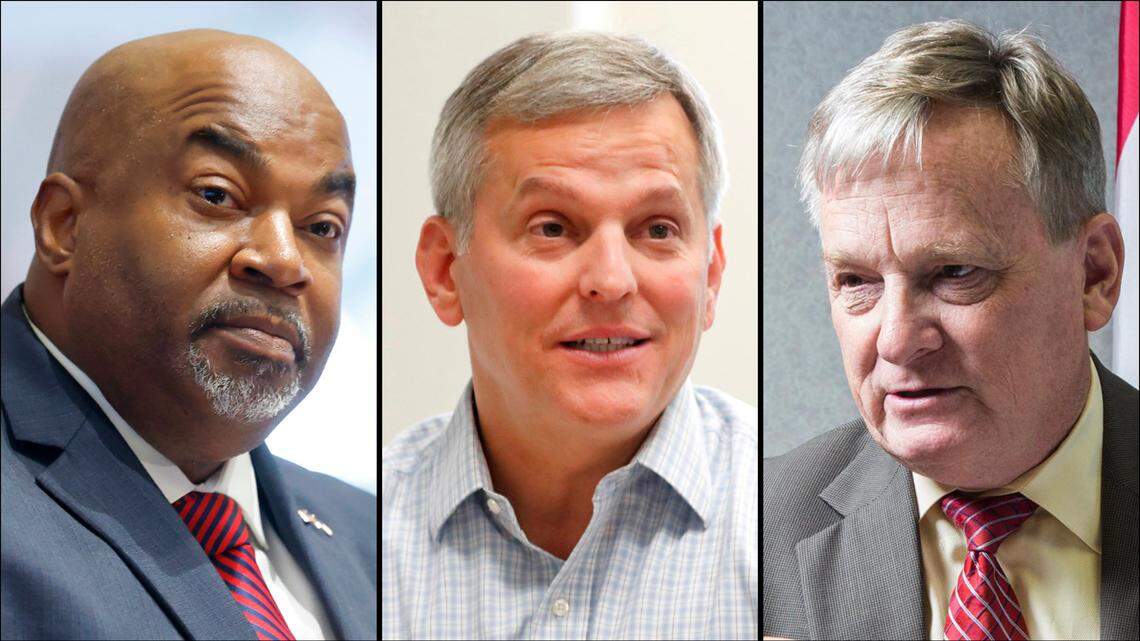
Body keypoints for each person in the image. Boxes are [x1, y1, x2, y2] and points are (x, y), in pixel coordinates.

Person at [764, 19, 1138, 640]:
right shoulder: (751, 532)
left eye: (954, 272)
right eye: (856, 281)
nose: (894, 340)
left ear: (1094, 274)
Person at [0, 29, 375, 640]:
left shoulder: (370, 536)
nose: (284, 260)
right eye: (216, 194)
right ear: (65, 226)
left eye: (322, 227)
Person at [383, 31, 757, 639]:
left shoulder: (791, 521)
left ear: (710, 274)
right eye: (552, 227)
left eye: (657, 229)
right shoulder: (354, 537)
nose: (611, 282)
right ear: (445, 270)